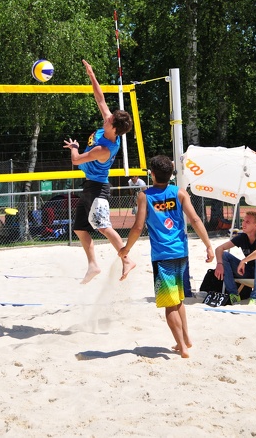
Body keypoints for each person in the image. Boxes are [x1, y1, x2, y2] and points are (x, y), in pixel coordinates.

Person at [118, 155, 214, 358]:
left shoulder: (145, 196)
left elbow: (137, 227)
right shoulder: (179, 192)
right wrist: (208, 246)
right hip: (181, 253)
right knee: (178, 299)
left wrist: (126, 249)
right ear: (171, 174)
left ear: (152, 175)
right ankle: (186, 339)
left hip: (162, 256)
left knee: (169, 304)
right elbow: (195, 219)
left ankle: (183, 347)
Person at [63, 59, 136, 284]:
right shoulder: (108, 127)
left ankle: (126, 259)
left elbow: (76, 161)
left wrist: (74, 147)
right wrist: (92, 74)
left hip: (98, 188)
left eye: (111, 119)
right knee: (80, 229)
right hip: (89, 186)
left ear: (114, 128)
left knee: (103, 226)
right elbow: (100, 98)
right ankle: (93, 265)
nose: (107, 117)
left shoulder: (103, 149)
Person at [214, 211, 256, 306]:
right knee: (224, 255)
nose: (243, 224)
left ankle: (255, 297)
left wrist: (244, 261)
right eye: (243, 221)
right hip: (251, 272)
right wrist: (219, 264)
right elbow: (219, 249)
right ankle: (233, 294)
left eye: (247, 222)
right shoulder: (242, 237)